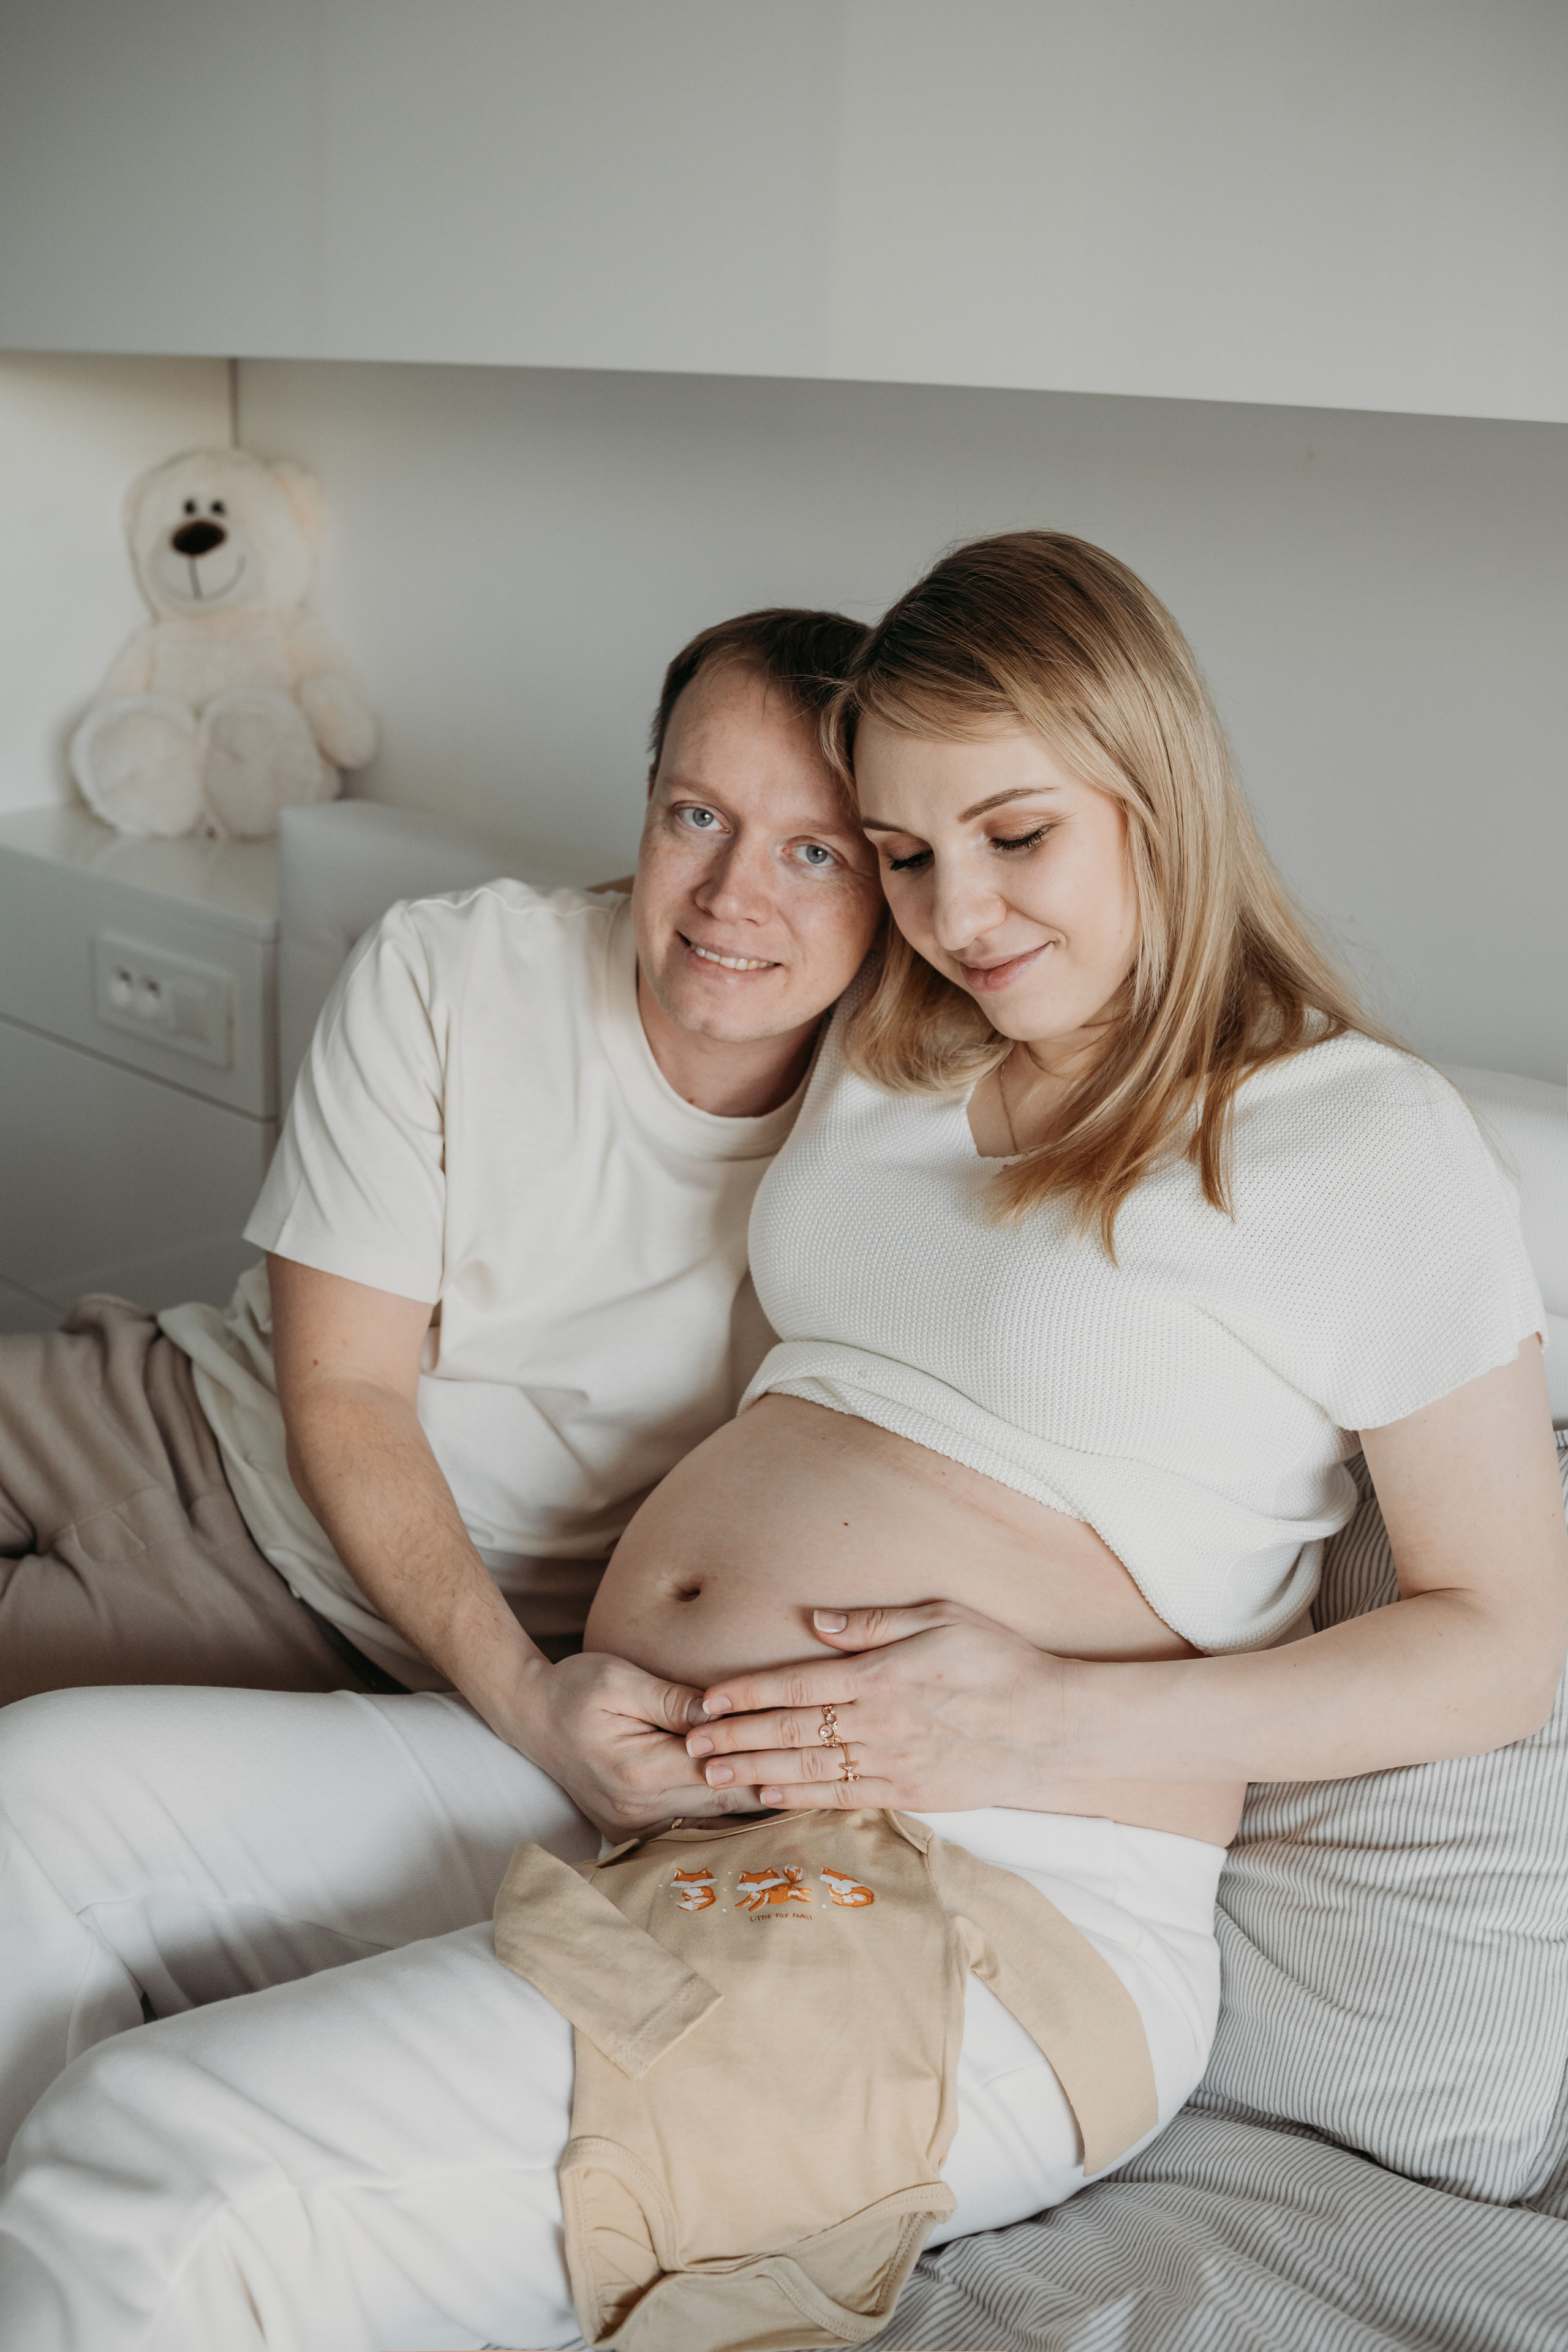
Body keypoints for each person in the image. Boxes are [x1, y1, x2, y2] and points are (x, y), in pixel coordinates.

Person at [1, 533, 1562, 2352]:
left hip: (979, 1887)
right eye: (902, 853)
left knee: (157, 2159)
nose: (958, 909)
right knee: (36, 1807)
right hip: (650, 1766)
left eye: (1017, 835)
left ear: (1158, 787)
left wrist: (1046, 1716)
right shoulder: (905, 1048)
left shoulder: (1357, 1142)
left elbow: (1498, 1641)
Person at [0, 605, 882, 1826]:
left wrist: (521, 1701)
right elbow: (345, 1392)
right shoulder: (448, 968)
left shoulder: (899, 1126)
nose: (732, 895)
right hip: (164, 1405)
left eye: (813, 853)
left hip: (321, 1605)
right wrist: (527, 1700)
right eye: (698, 817)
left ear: (892, 875)